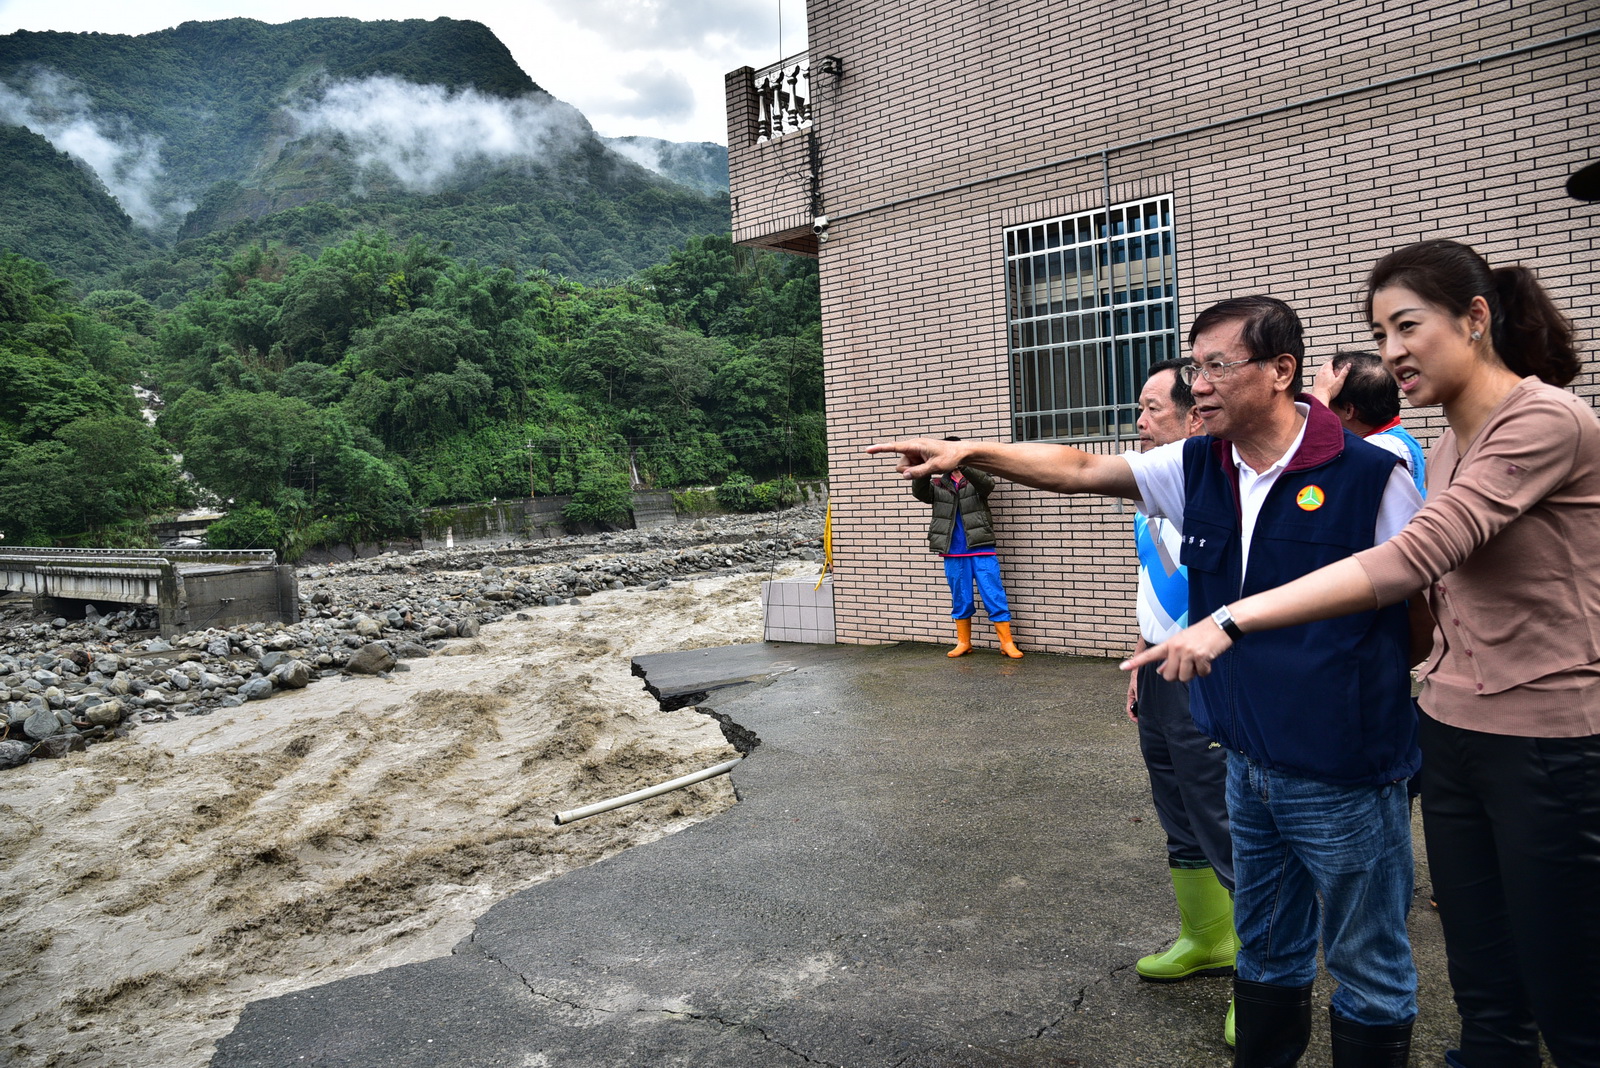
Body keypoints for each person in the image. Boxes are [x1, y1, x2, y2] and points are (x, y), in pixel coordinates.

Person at [869, 295, 1425, 1065]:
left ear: (1281, 372)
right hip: (1246, 761)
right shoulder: (1199, 464)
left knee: (1367, 964)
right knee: (1266, 953)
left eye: (1216, 367)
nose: (1198, 384)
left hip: (1344, 769)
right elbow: (1082, 468)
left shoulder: (1373, 476)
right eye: (1193, 366)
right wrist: (971, 451)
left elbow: (1417, 617)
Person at [1128, 240, 1600, 1068]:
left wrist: (1228, 620)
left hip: (1549, 737)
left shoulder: (1543, 419)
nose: (1389, 354)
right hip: (1452, 726)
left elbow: (1412, 563)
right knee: (1486, 990)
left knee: (1565, 981)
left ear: (1476, 317)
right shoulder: (1454, 442)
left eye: (1406, 327)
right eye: (1380, 334)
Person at [1126, 359, 1239, 996]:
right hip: (1160, 671)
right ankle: (1206, 939)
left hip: (1214, 673)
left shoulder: (1222, 487)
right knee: (1176, 809)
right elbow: (1153, 584)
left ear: (1195, 416)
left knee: (1224, 816)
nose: (1140, 424)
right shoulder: (1150, 492)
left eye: (1152, 410)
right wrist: (1141, 661)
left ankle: (1262, 976)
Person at [910, 437, 1023, 658]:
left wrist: (963, 463)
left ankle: (1006, 643)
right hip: (952, 550)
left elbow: (988, 485)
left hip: (981, 547)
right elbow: (919, 493)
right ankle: (964, 642)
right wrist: (924, 465)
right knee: (960, 597)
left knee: (993, 594)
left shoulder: (976, 478)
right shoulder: (938, 484)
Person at [1310, 349, 1428, 495]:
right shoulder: (1395, 441)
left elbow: (1311, 472)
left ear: (1349, 410)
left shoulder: (1377, 450)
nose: (1325, 410)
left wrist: (1320, 394)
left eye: (1330, 400)